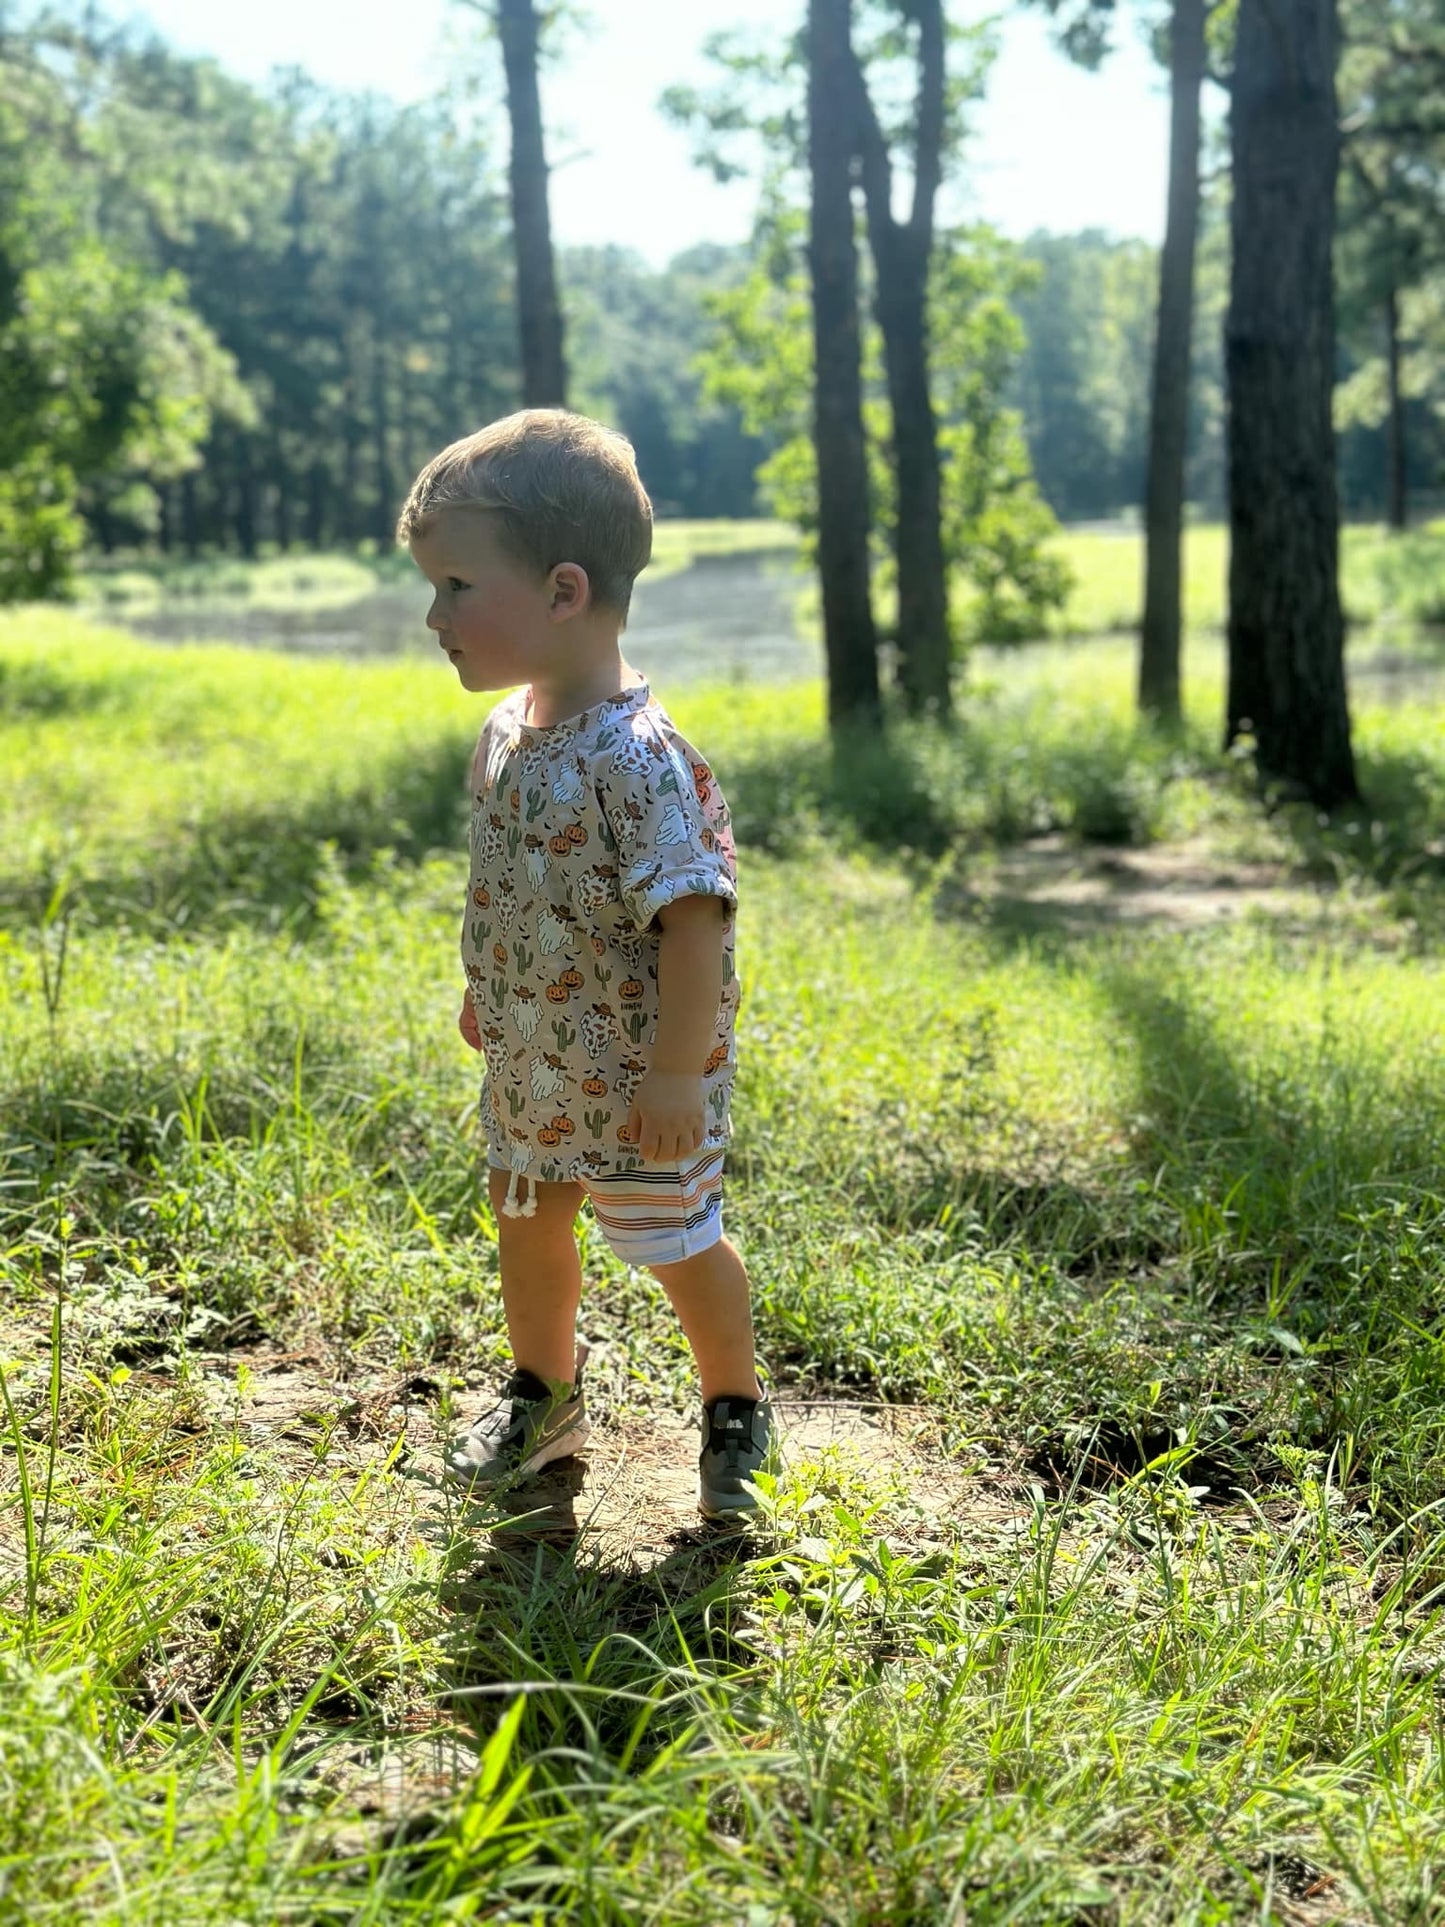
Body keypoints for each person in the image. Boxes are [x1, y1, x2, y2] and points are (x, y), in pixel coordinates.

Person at [397, 409, 776, 1520]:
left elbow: (694, 920)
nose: (434, 615)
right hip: (536, 1061)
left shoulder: (639, 757)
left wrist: (674, 1071)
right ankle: (544, 1397)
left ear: (563, 591)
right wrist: (488, 989)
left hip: (636, 1072)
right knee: (527, 1220)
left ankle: (733, 1406)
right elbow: (509, 881)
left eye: (458, 586)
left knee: (673, 1237)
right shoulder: (508, 733)